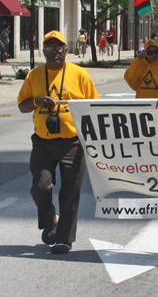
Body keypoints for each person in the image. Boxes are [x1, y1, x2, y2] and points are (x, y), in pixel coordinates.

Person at [17, 30, 99, 254]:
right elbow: (22, 105)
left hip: (73, 142)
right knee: (42, 186)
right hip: (43, 142)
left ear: (66, 49)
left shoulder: (80, 75)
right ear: (44, 51)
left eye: (59, 47)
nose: (55, 51)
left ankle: (64, 239)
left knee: (71, 191)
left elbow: (95, 109)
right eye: (50, 48)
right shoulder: (34, 75)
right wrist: (36, 101)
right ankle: (51, 217)